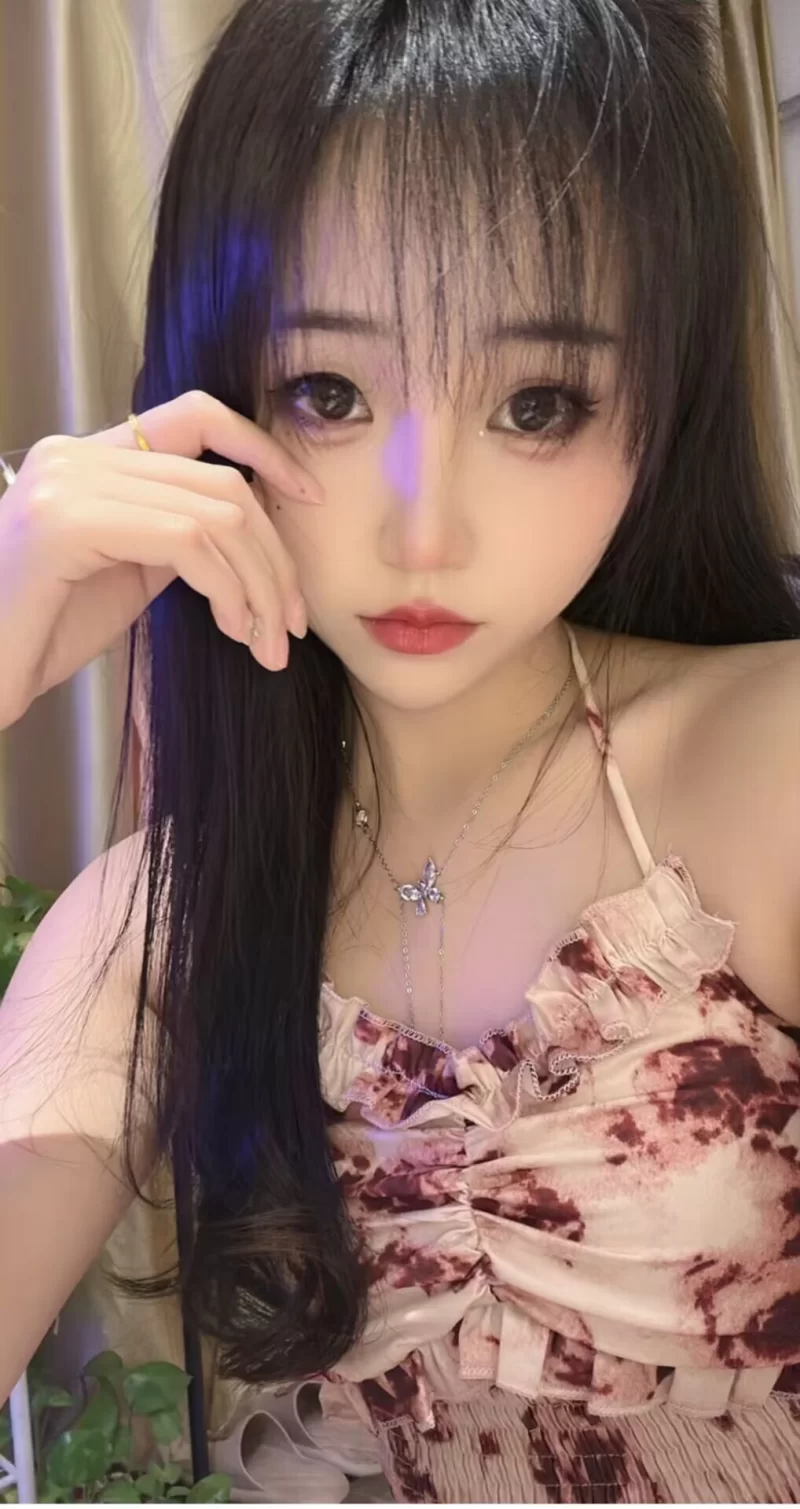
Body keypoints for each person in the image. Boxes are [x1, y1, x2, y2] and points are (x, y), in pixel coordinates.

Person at [1, 0, 799, 1501]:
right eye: (330, 395)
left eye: (537, 403)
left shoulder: (771, 766)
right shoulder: (164, 921)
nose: (424, 529)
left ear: (663, 400)